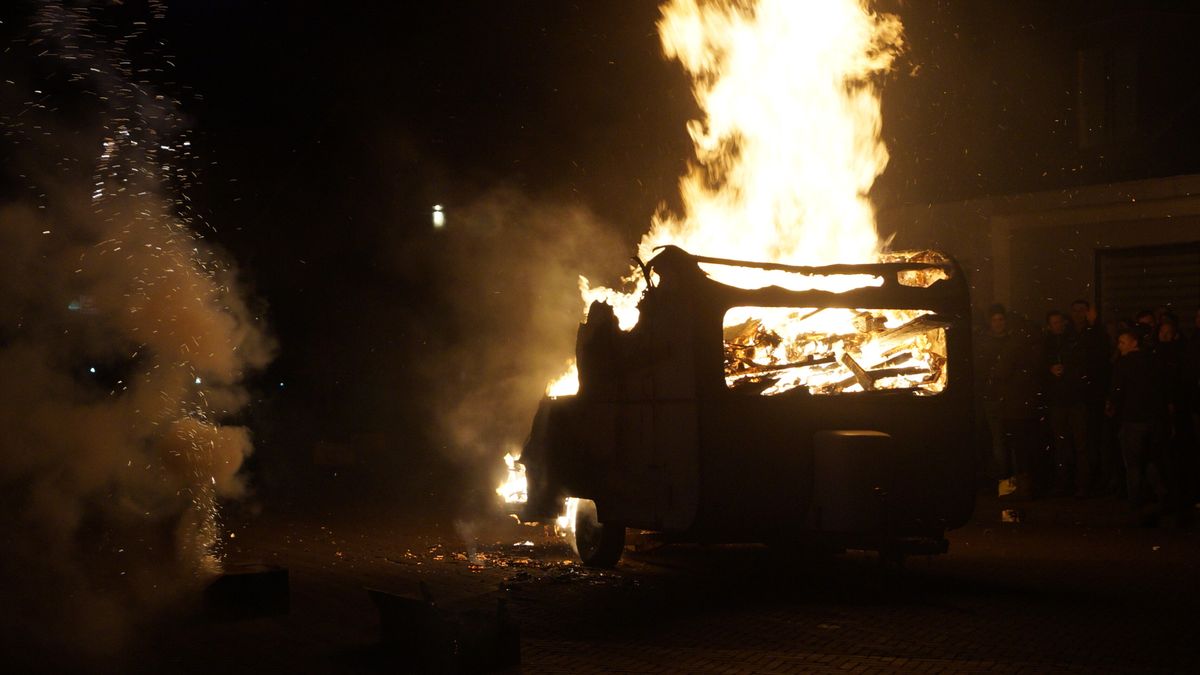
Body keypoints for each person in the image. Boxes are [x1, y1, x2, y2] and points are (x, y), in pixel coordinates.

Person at [1107, 328, 1170, 524]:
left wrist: (1112, 406)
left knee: (1133, 464)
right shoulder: (1154, 361)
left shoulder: (1124, 363)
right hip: (1154, 419)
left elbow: (1118, 389)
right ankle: (1164, 495)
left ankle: (1135, 501)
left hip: (1133, 419)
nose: (1119, 346)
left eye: (1123, 342)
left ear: (1134, 343)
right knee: (1151, 459)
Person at [1044, 309, 1089, 496]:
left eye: (1060, 322)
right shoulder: (1047, 344)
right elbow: (1039, 367)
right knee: (1062, 444)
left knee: (1080, 444)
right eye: (1054, 323)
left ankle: (1082, 485)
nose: (1058, 326)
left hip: (1075, 399)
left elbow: (1085, 365)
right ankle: (1064, 483)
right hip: (1058, 401)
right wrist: (1050, 369)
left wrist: (1067, 370)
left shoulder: (1075, 341)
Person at [976, 304, 1011, 481]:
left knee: (1003, 438)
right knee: (995, 438)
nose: (998, 323)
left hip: (1009, 397)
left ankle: (1004, 477)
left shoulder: (1011, 342)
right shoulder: (984, 343)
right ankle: (999, 477)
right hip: (990, 396)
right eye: (995, 320)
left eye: (1001, 319)